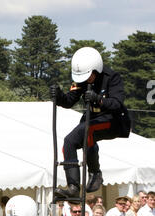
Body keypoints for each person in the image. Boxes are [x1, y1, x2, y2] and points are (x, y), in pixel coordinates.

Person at [51, 46, 130, 198]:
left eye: (88, 76)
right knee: (69, 141)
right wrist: (59, 96)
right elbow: (69, 101)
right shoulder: (82, 79)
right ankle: (73, 187)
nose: (85, 80)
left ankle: (95, 172)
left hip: (113, 120)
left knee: (87, 131)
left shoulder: (112, 77)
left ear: (96, 70)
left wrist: (98, 99)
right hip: (92, 119)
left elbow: (117, 103)